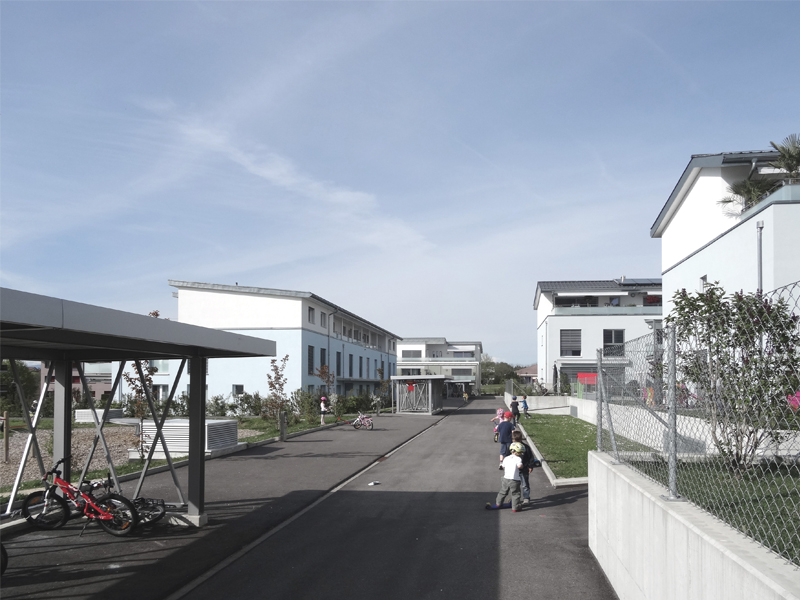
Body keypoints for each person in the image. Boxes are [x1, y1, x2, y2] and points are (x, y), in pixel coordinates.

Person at [486, 441, 525, 512]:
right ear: (517, 452)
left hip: (505, 479)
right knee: (515, 494)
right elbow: (519, 466)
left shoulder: (506, 458)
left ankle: (498, 504)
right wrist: (522, 466)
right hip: (514, 480)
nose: (520, 454)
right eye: (520, 453)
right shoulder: (518, 459)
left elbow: (502, 466)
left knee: (503, 492)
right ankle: (515, 507)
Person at [512, 430, 533, 504]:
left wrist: (530, 466)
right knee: (515, 485)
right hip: (514, 470)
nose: (516, 443)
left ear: (521, 439)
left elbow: (530, 457)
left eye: (518, 441)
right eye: (514, 441)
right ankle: (516, 498)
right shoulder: (511, 448)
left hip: (524, 469)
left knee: (525, 485)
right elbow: (508, 457)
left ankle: (526, 498)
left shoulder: (526, 447)